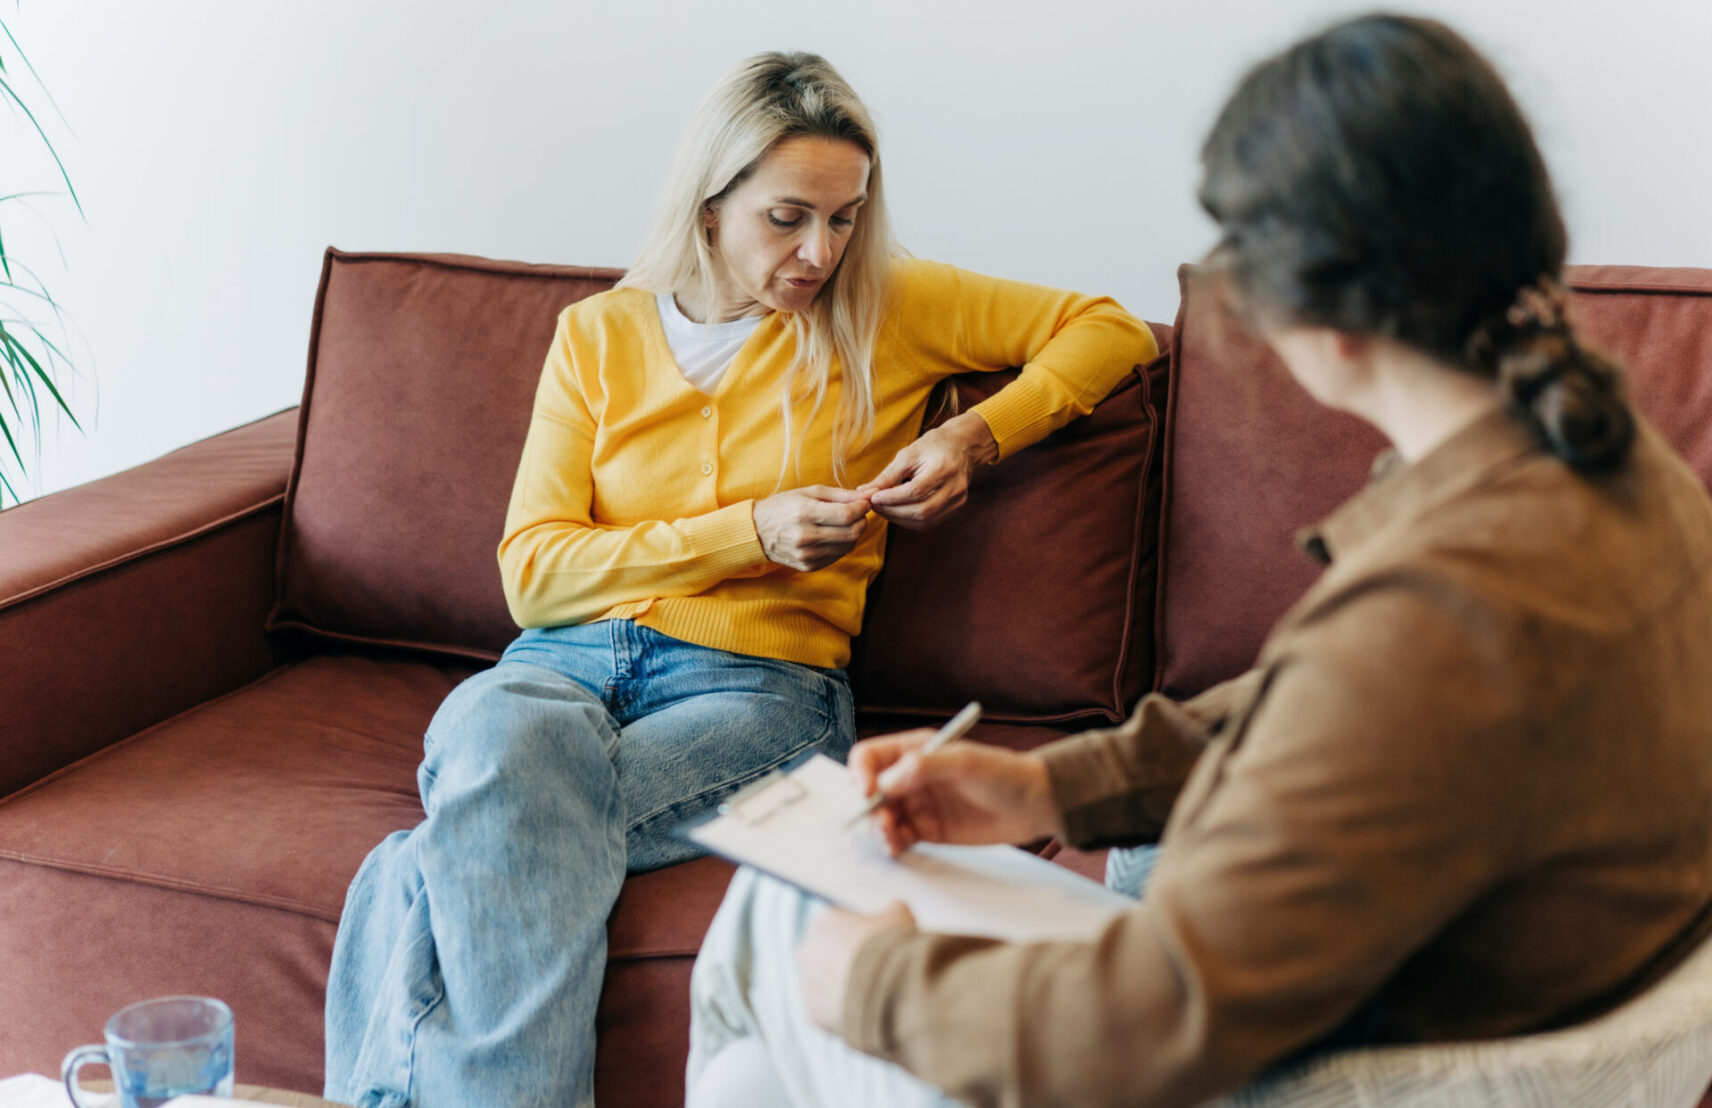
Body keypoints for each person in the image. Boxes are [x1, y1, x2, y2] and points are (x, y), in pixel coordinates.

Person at [685, 15, 1712, 1108]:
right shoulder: (1616, 473)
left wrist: (883, 984)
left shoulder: (1427, 612)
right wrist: (1043, 787)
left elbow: (1156, 1019)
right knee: (753, 1078)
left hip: (1317, 1076)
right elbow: (1325, 716)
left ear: (1319, 306)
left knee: (783, 907)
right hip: (1444, 1018)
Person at [320, 51, 1155, 1108]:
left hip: (759, 688)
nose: (820, 252)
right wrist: (748, 531)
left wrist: (971, 439)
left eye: (845, 218)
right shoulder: (596, 336)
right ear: (709, 207)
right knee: (499, 744)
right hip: (556, 667)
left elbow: (1109, 329)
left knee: (465, 838)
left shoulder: (888, 306)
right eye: (787, 218)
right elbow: (532, 577)